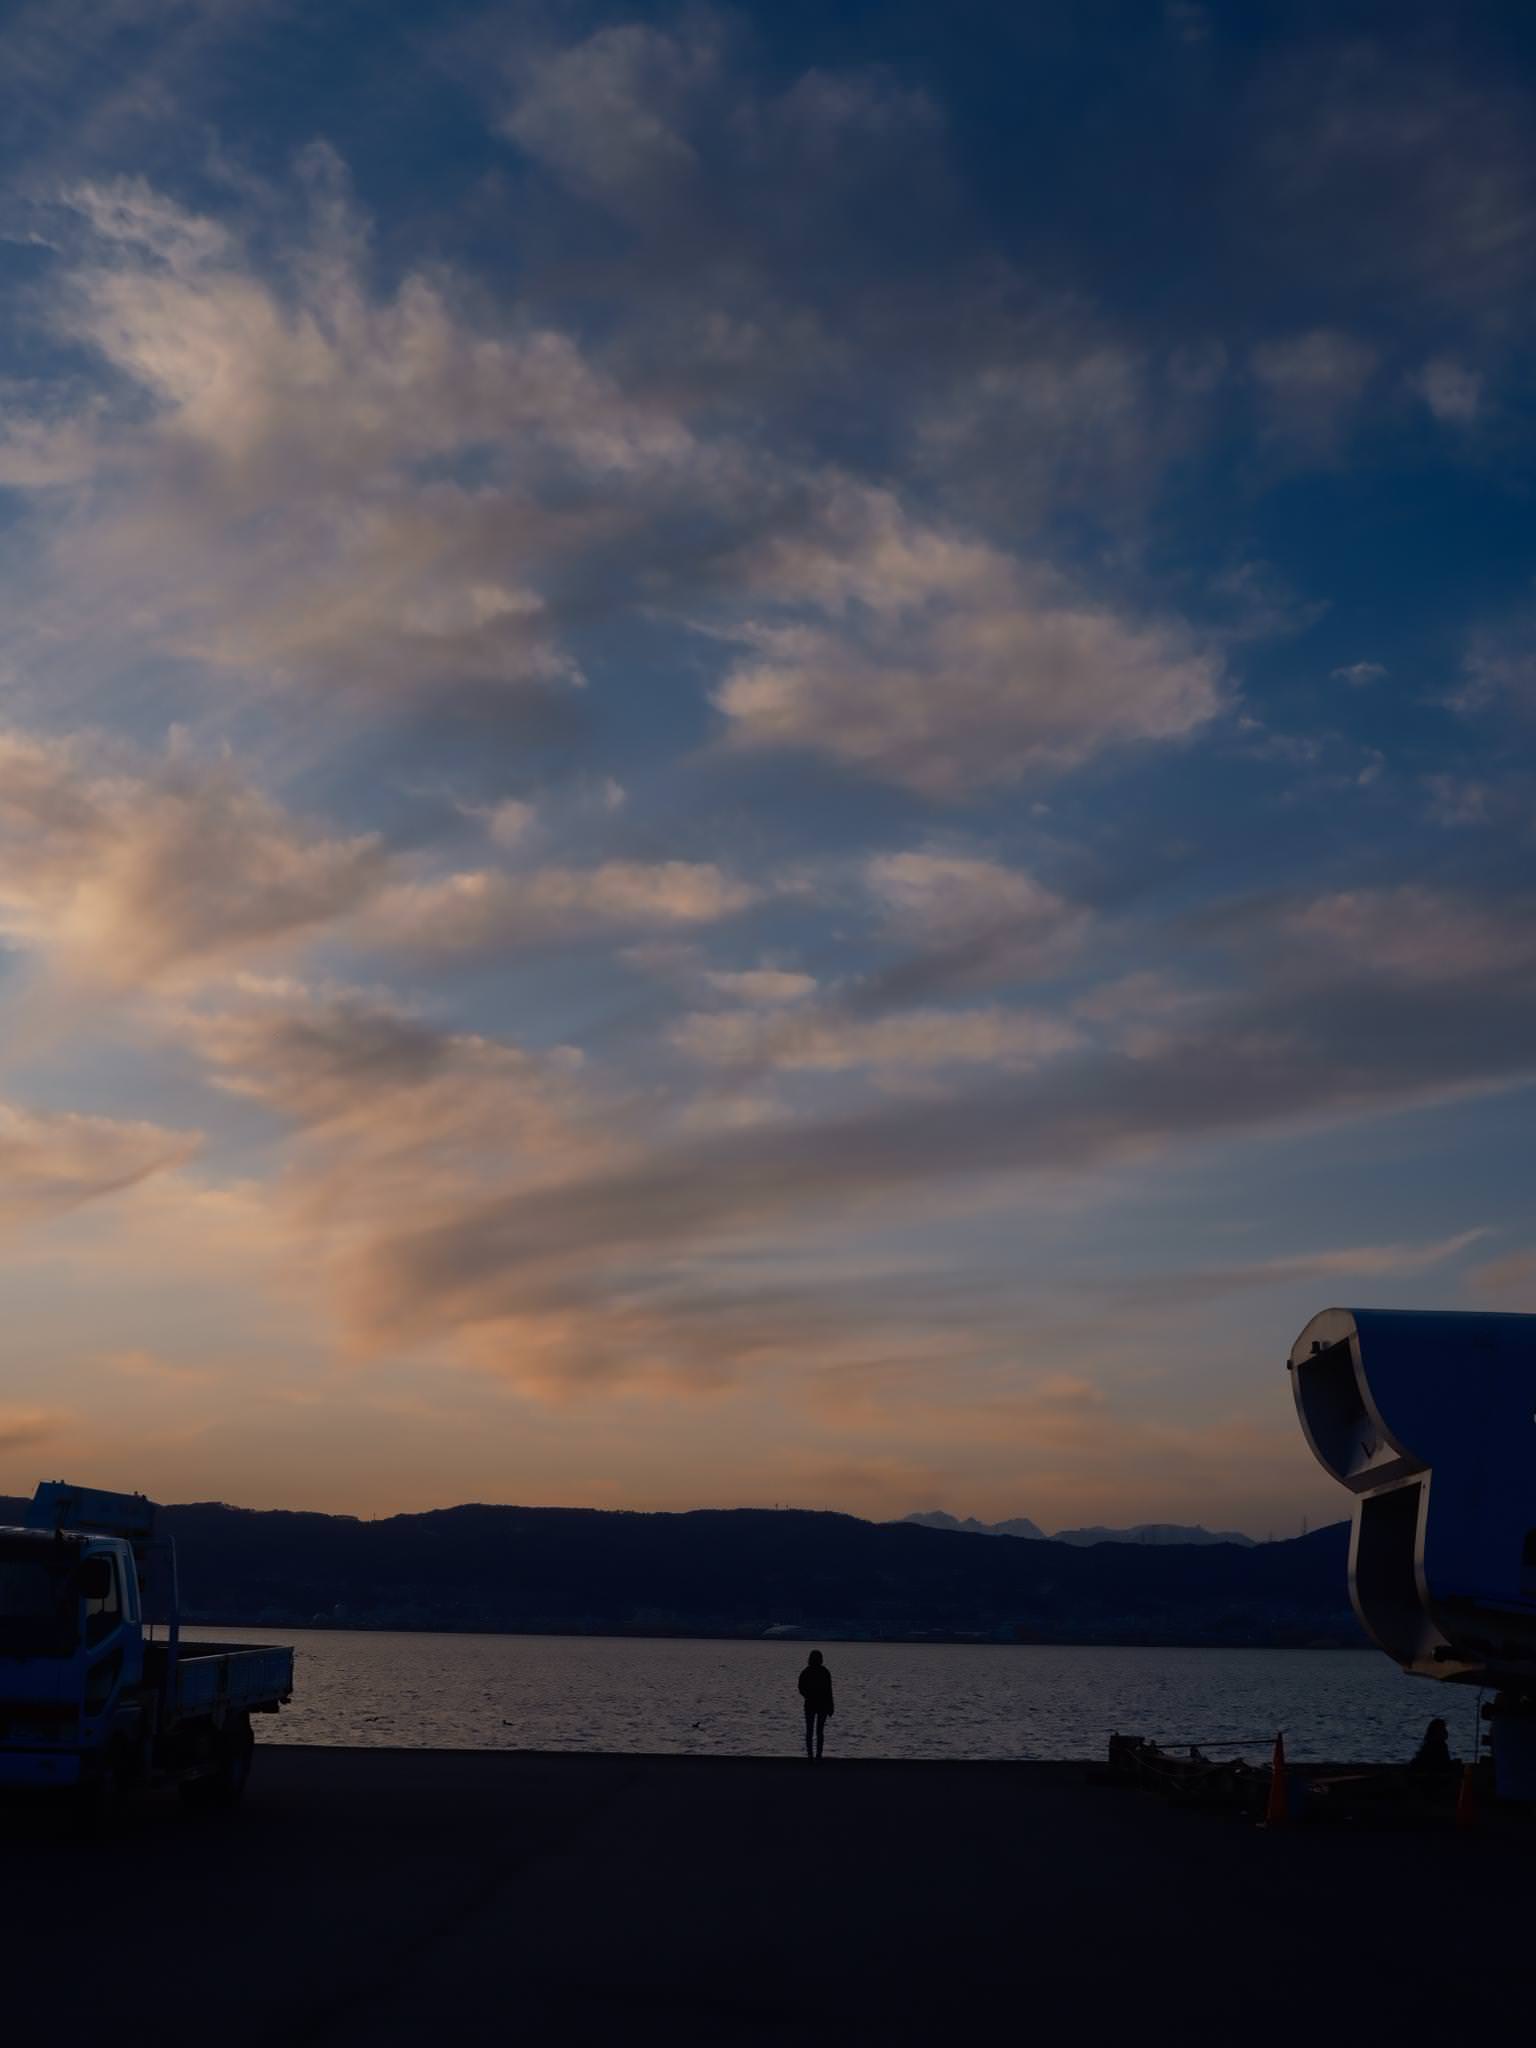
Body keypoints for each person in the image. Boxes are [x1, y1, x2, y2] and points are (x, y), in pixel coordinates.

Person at [798, 1649, 834, 1761]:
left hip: (810, 1704)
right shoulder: (824, 1672)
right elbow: (829, 1691)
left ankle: (810, 1755)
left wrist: (808, 1695)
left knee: (810, 1731)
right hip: (822, 1704)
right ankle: (818, 1755)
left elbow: (801, 1687)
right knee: (819, 1731)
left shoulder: (806, 1671)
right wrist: (831, 1706)